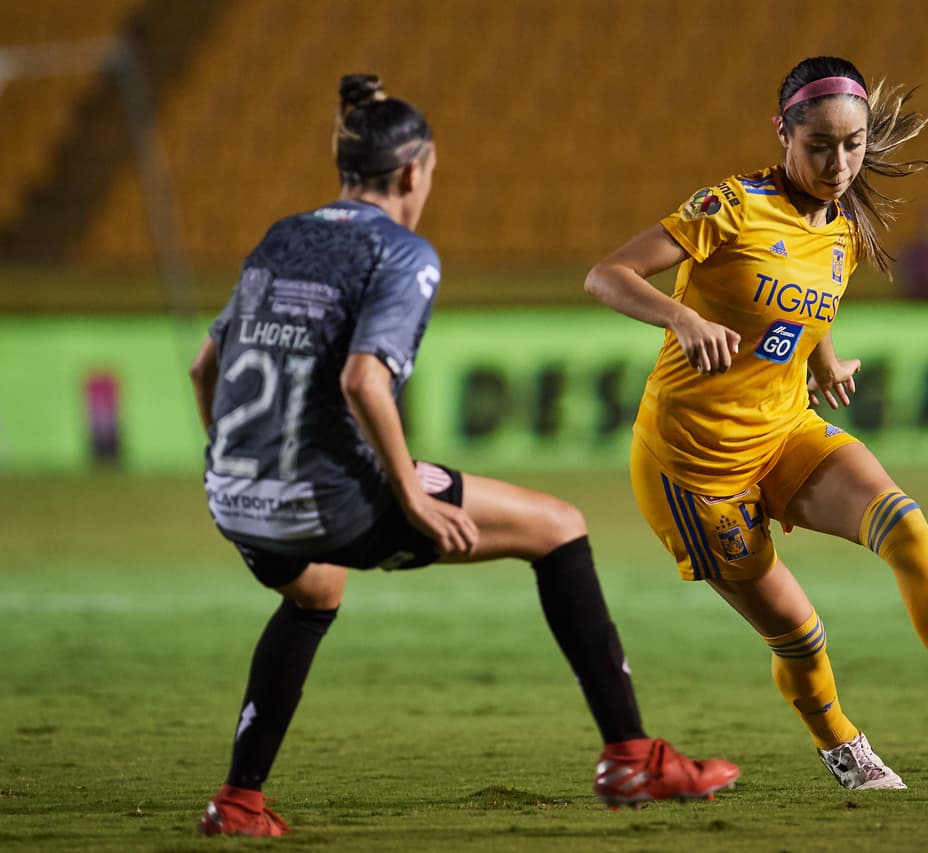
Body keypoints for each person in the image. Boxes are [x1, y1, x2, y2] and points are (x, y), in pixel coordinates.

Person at [188, 74, 738, 837]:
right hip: (331, 499)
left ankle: (239, 800)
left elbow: (203, 369)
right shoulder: (402, 253)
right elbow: (363, 380)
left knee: (315, 591)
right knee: (559, 526)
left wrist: (228, 463)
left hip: (234, 497)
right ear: (414, 171)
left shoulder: (283, 236)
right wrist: (410, 499)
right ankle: (631, 754)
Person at [586, 56, 928, 790]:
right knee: (802, 637)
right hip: (694, 469)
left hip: (784, 431)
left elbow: (805, 301)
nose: (839, 162)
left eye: (853, 145)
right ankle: (845, 747)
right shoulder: (729, 206)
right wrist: (682, 316)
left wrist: (826, 361)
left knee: (906, 528)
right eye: (819, 144)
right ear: (781, 132)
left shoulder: (842, 233)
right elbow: (607, 275)